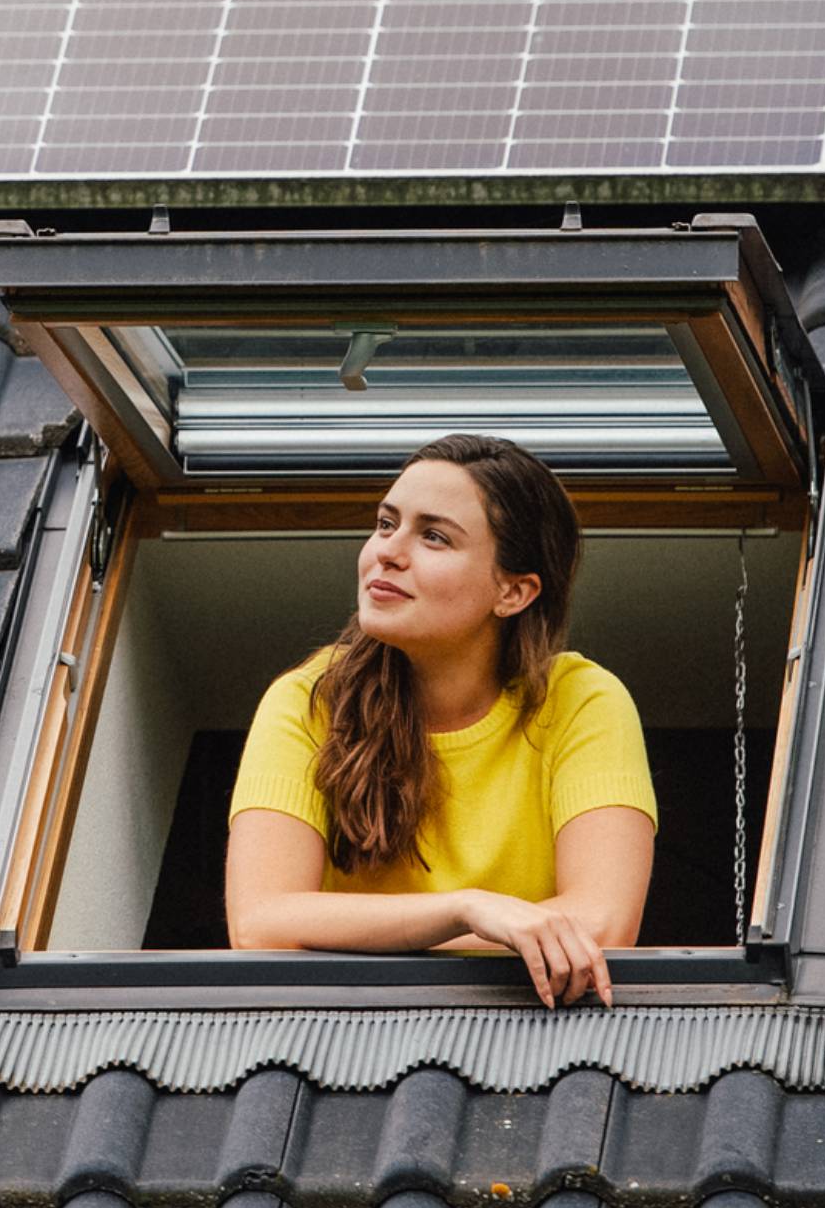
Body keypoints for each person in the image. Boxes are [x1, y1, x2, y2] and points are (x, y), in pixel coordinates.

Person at [225, 432, 656, 1008]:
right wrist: (467, 908)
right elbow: (259, 925)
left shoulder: (581, 703)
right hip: (339, 1029)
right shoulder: (307, 700)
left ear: (513, 592)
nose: (388, 551)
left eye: (433, 536)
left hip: (532, 1034)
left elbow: (601, 925)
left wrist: (359, 935)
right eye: (385, 523)